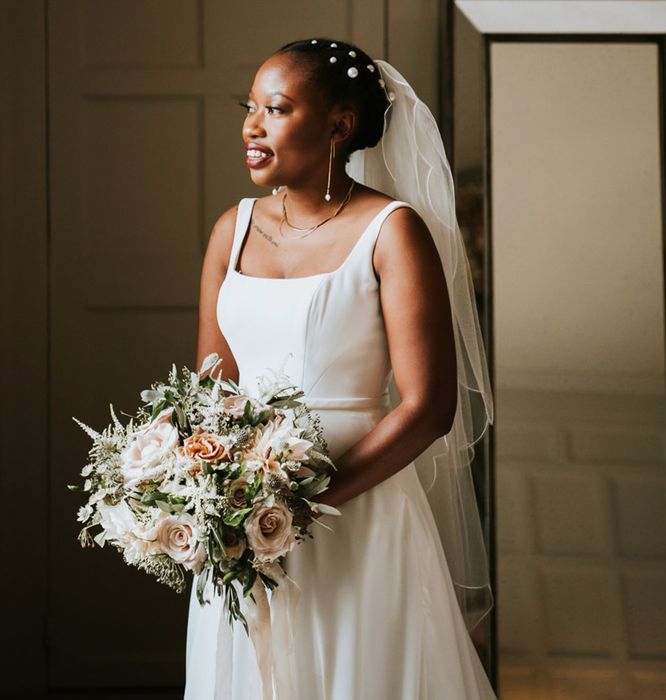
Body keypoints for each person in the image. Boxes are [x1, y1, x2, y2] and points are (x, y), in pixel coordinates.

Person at [187, 37, 496, 699]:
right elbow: (210, 388)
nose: (251, 124)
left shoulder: (392, 230)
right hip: (243, 520)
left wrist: (304, 504)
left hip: (360, 511)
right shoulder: (230, 229)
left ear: (338, 125)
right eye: (250, 107)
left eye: (276, 109)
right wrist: (205, 491)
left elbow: (429, 407)